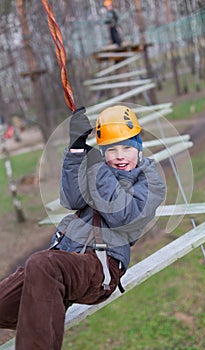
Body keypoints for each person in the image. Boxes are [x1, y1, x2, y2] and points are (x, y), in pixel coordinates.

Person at [0, 105, 166, 349]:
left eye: (127, 147)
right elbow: (71, 200)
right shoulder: (100, 170)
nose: (120, 156)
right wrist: (77, 151)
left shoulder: (151, 180)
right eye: (111, 149)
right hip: (66, 259)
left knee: (42, 263)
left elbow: (121, 214)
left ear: (139, 148)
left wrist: (96, 164)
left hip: (101, 266)